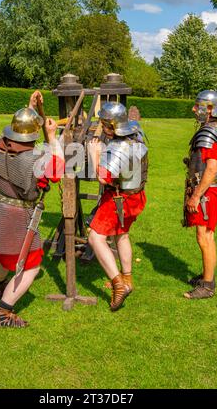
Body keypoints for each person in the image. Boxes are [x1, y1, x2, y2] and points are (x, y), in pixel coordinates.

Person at [0, 91, 63, 327]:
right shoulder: (37, 157)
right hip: (18, 215)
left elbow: (20, 133)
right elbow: (58, 170)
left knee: (0, 249)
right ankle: (2, 313)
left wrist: (30, 110)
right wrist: (52, 137)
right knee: (31, 265)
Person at [88, 102, 148, 311]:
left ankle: (118, 284)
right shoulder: (136, 133)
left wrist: (94, 153)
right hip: (136, 195)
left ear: (112, 125)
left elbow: (103, 178)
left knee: (95, 237)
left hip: (118, 199)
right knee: (121, 234)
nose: (102, 128)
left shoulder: (120, 145)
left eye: (105, 125)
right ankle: (128, 279)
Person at [183, 90, 217, 299]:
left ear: (209, 109)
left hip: (208, 191)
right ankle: (206, 275)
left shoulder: (209, 132)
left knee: (205, 236)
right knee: (207, 235)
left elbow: (211, 168)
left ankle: (208, 286)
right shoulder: (216, 128)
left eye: (197, 106)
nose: (194, 109)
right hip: (212, 190)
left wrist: (196, 196)